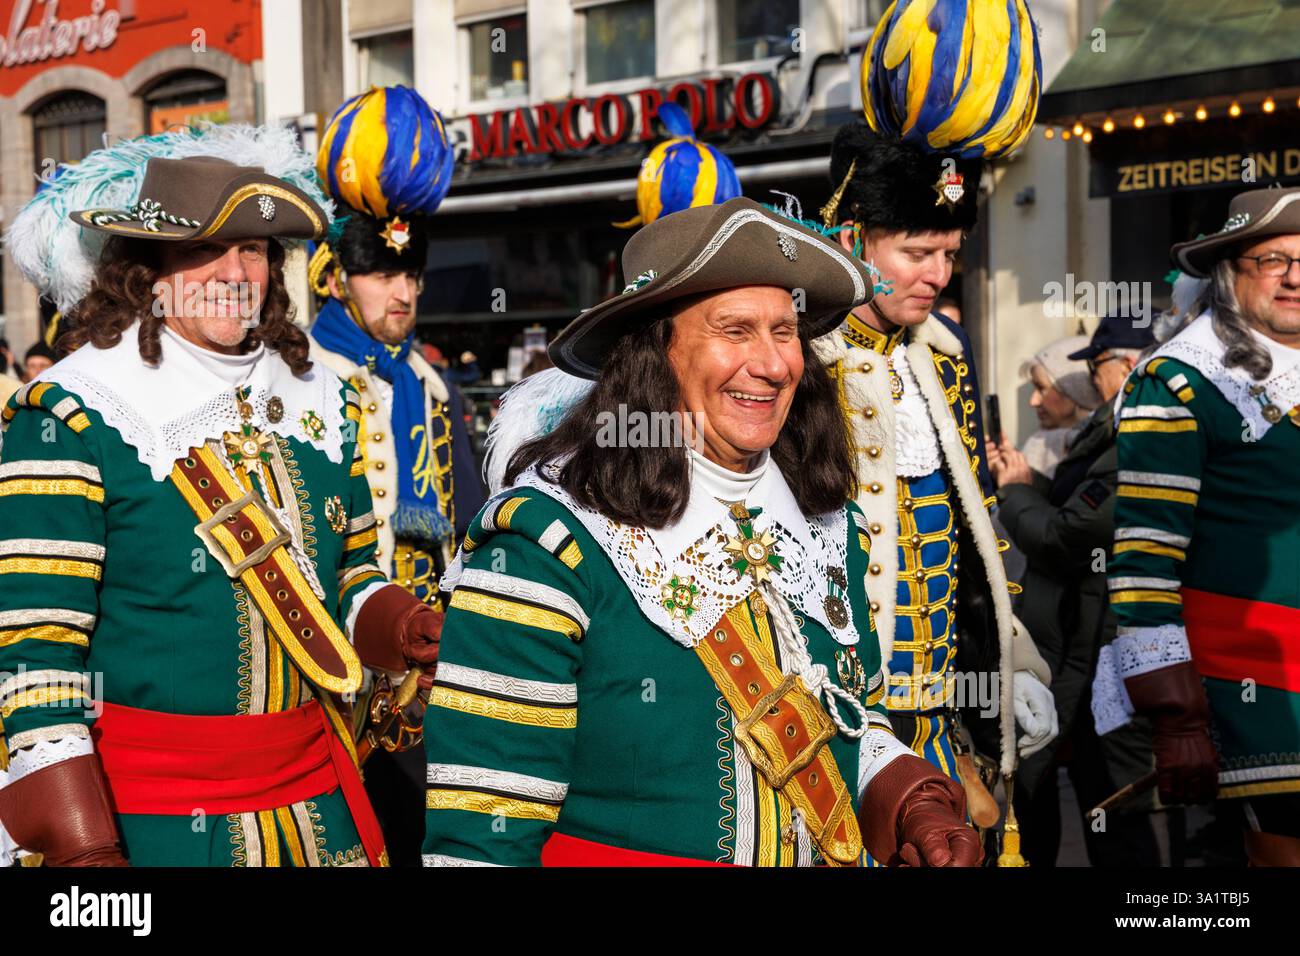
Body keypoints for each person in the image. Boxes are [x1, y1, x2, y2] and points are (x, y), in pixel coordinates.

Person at [422, 197, 982, 867]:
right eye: (736, 330)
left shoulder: (829, 529)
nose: (774, 364)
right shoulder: (543, 549)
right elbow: (481, 841)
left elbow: (847, 717)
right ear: (655, 349)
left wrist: (904, 793)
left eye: (784, 331)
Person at [0, 129, 442, 867]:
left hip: (322, 813)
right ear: (149, 269)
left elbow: (352, 576)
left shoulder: (322, 397)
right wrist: (83, 850)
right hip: (152, 829)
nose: (235, 271)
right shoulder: (72, 413)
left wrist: (399, 626)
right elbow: (35, 656)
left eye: (256, 248)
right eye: (206, 249)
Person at [815, 0, 1054, 861]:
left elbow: (968, 537)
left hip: (942, 710)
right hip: (836, 712)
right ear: (854, 236)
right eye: (917, 252)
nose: (937, 275)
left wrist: (1008, 658)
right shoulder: (799, 361)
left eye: (950, 254)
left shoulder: (944, 358)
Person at [1093, 186, 1300, 867]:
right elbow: (1144, 559)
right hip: (1256, 690)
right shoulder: (1182, 379)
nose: (1296, 276)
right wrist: (1174, 713)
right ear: (1229, 272)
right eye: (1274, 259)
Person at [308, 85, 484, 865]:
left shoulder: (434, 385)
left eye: (410, 275)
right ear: (336, 276)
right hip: (334, 669)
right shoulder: (305, 380)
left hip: (429, 673)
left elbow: (473, 519)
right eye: (383, 274)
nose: (404, 293)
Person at [986, 316, 1160, 866]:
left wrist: (1015, 495)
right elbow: (1072, 506)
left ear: (1125, 366)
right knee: (1072, 788)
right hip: (1073, 645)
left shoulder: (1140, 433)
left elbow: (1072, 535)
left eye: (1097, 366)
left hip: (1102, 650)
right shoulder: (1110, 425)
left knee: (1113, 800)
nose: (1092, 377)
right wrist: (1028, 483)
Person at [1017, 335, 1102, 477]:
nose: (1033, 401)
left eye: (1042, 388)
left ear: (1076, 392)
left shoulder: (1100, 453)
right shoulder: (1036, 443)